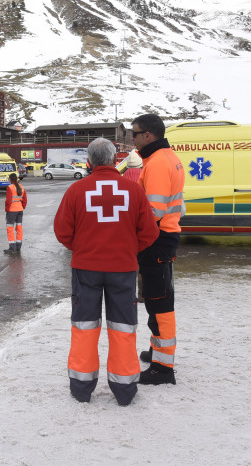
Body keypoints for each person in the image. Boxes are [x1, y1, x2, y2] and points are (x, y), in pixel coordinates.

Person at [54, 138, 159, 405]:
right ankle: (124, 391)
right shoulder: (133, 190)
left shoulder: (77, 190)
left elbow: (62, 231)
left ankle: (81, 388)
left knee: (84, 327)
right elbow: (149, 232)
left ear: (89, 162)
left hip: (85, 269)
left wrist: (82, 248)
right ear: (115, 159)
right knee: (124, 327)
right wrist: (128, 249)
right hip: (123, 269)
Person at [131, 113, 185, 385]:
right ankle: (157, 352)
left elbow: (153, 211)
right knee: (156, 300)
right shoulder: (165, 158)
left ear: (148, 135)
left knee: (159, 302)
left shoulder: (158, 163)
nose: (133, 139)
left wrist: (132, 234)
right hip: (164, 237)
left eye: (134, 134)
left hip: (157, 239)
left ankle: (162, 369)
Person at [3, 172, 28, 254]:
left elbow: (8, 201)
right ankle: (18, 246)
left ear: (10, 180)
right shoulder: (22, 187)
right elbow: (25, 200)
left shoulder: (10, 187)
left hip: (12, 210)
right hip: (20, 210)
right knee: (19, 228)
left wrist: (7, 210)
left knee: (10, 228)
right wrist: (22, 207)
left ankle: (12, 247)